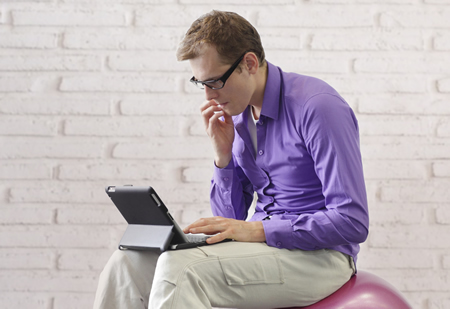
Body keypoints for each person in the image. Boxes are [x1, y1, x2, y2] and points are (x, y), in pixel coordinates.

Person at [93, 10, 369, 309]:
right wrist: (223, 159)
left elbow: (352, 221)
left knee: (182, 268)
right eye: (202, 84)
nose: (209, 97)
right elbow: (230, 219)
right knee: (127, 262)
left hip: (320, 258)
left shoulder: (317, 107)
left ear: (249, 63)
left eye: (215, 82)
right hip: (260, 249)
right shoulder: (238, 114)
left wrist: (256, 230)